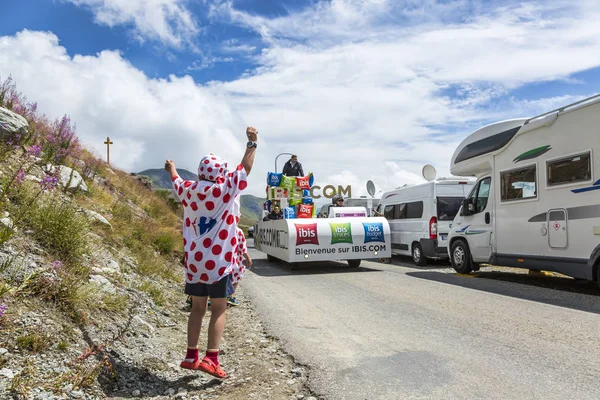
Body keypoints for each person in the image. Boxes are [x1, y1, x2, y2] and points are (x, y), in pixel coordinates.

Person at [165, 125, 258, 380]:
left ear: (200, 172)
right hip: (218, 265)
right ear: (220, 174)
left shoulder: (188, 191)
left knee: (197, 309)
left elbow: (175, 180)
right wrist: (252, 143)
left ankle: (190, 355)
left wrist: (171, 167)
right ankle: (211, 358)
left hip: (194, 264)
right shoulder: (223, 191)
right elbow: (245, 169)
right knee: (219, 309)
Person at [227, 227, 253, 306]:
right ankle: (230, 296)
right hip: (236, 259)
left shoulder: (221, 228)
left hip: (223, 259)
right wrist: (248, 258)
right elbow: (242, 248)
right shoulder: (238, 231)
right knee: (236, 277)